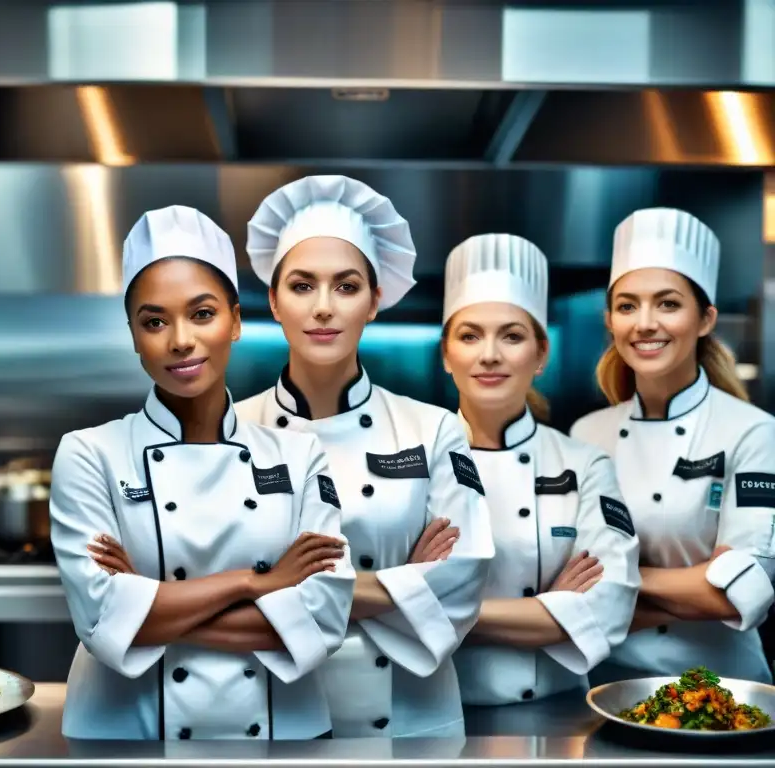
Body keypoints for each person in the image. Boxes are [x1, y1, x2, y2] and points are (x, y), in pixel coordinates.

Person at [49, 205, 356, 741]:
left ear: (236, 321)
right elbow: (101, 622)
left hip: (283, 735)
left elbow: (323, 620)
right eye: (154, 321)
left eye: (202, 314)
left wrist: (148, 600)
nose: (180, 341)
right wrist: (256, 583)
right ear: (133, 335)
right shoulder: (87, 453)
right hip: (128, 736)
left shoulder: (299, 454)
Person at [235, 175, 496, 739]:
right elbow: (207, 582)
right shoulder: (232, 431)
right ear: (274, 301)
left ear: (376, 300)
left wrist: (276, 588)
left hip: (412, 721)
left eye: (346, 286)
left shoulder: (436, 429)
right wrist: (402, 581)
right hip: (270, 713)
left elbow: (463, 578)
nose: (324, 308)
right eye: (302, 286)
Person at [571, 207, 775, 684]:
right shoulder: (586, 434)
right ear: (610, 321)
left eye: (667, 304)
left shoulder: (754, 432)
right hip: (605, 687)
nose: (644, 323)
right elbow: (565, 585)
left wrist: (616, 582)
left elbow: (738, 591)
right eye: (627, 306)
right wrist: (694, 583)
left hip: (726, 691)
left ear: (705, 319)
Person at [441, 233, 640, 707]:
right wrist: (549, 610)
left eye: (511, 335)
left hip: (559, 713)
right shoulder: (409, 459)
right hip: (435, 713)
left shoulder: (585, 462)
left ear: (541, 355)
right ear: (447, 356)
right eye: (470, 336)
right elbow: (377, 608)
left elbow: (609, 608)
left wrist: (442, 612)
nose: (490, 354)